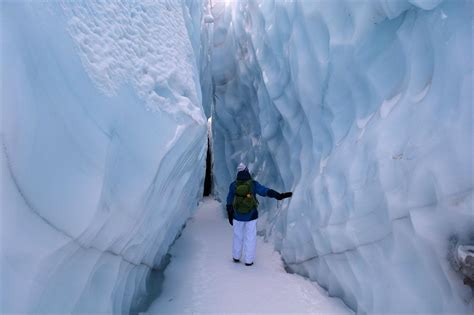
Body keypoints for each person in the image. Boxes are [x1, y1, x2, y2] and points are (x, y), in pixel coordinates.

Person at [226, 163, 292, 266]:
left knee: (237, 236)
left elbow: (229, 200)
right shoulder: (253, 184)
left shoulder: (233, 185)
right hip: (251, 215)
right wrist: (279, 196)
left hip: (237, 216)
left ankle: (236, 256)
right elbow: (265, 191)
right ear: (247, 172)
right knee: (250, 237)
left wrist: (230, 213)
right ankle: (248, 260)